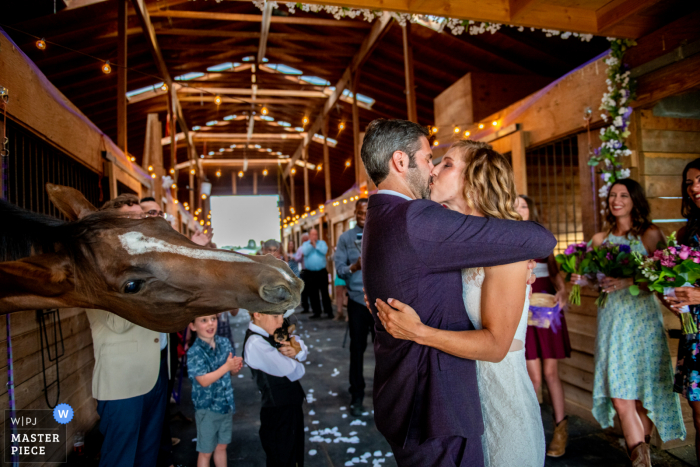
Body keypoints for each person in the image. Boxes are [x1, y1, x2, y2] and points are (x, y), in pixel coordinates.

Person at [360, 119, 556, 467]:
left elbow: (496, 344)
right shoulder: (439, 233)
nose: (434, 169)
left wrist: (420, 332)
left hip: (495, 396)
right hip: (457, 397)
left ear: (474, 179)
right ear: (401, 162)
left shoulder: (498, 250)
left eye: (446, 163)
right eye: (432, 159)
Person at [572, 178, 685, 466]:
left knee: (641, 394)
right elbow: (597, 281)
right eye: (612, 195)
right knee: (621, 396)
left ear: (635, 200)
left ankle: (640, 455)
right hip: (612, 320)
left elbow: (664, 280)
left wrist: (628, 280)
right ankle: (641, 457)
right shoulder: (599, 240)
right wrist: (583, 279)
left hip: (642, 320)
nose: (616, 200)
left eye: (623, 195)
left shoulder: (650, 234)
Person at [88, 194, 170, 467]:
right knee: (120, 459)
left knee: (148, 455)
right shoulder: (97, 263)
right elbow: (118, 322)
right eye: (132, 218)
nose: (142, 223)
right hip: (123, 383)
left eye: (142, 217)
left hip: (155, 373)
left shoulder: (146, 257)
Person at [515, 194, 572, 458]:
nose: (519, 208)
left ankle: (561, 431)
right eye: (514, 204)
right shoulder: (507, 237)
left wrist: (563, 293)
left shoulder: (542, 237)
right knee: (533, 375)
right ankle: (531, 433)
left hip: (544, 306)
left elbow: (556, 274)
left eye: (523, 204)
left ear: (531, 210)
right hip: (521, 308)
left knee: (550, 372)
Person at [659, 158, 700, 463]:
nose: (694, 187)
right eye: (689, 182)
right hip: (695, 334)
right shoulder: (687, 234)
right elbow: (675, 283)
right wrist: (672, 297)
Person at [243, 311, 308, 467]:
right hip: (278, 414)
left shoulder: (269, 332)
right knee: (282, 460)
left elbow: (301, 348)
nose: (280, 322)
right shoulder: (255, 343)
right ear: (257, 314)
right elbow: (294, 370)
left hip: (290, 408)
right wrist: (296, 354)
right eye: (275, 317)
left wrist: (298, 351)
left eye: (281, 316)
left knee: (295, 457)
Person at [187, 315, 243, 467]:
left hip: (225, 405)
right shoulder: (194, 352)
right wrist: (227, 367)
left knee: (222, 446)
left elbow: (230, 372)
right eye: (203, 320)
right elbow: (203, 380)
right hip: (207, 409)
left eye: (213, 318)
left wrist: (234, 368)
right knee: (205, 452)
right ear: (192, 326)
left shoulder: (224, 343)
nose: (210, 323)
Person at [335, 198, 373, 416]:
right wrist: (354, 267)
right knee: (356, 351)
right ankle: (356, 396)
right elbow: (339, 269)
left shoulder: (381, 233)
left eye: (366, 211)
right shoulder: (345, 239)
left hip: (379, 302)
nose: (362, 215)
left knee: (385, 352)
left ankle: (385, 397)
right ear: (354, 212)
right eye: (359, 212)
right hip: (358, 301)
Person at [300, 229, 333, 319]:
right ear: (310, 235)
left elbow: (324, 251)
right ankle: (316, 312)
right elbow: (305, 253)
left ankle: (328, 311)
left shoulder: (322, 243)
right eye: (313, 234)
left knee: (325, 292)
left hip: (321, 271)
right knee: (313, 293)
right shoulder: (305, 244)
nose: (314, 236)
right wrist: (311, 245)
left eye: (316, 234)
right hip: (310, 273)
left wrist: (316, 246)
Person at [294, 233, 311, 313]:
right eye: (304, 239)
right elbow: (297, 259)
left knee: (313, 290)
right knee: (304, 291)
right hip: (304, 271)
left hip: (312, 271)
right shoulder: (300, 248)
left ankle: (314, 308)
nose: (305, 240)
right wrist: (301, 256)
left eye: (306, 239)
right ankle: (305, 307)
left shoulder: (312, 248)